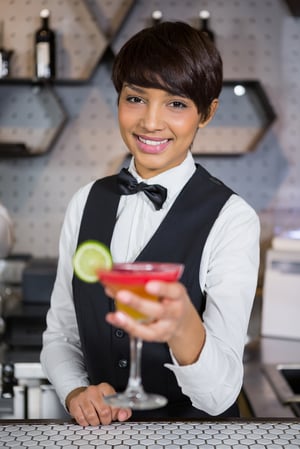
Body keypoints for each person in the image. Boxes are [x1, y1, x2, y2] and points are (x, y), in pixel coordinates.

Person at [40, 21, 260, 426]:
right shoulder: (85, 202)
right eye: (136, 98)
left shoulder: (233, 218)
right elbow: (61, 335)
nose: (151, 122)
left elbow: (221, 395)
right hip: (107, 436)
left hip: (196, 438)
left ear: (206, 113)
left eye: (176, 104)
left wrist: (184, 330)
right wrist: (75, 391)